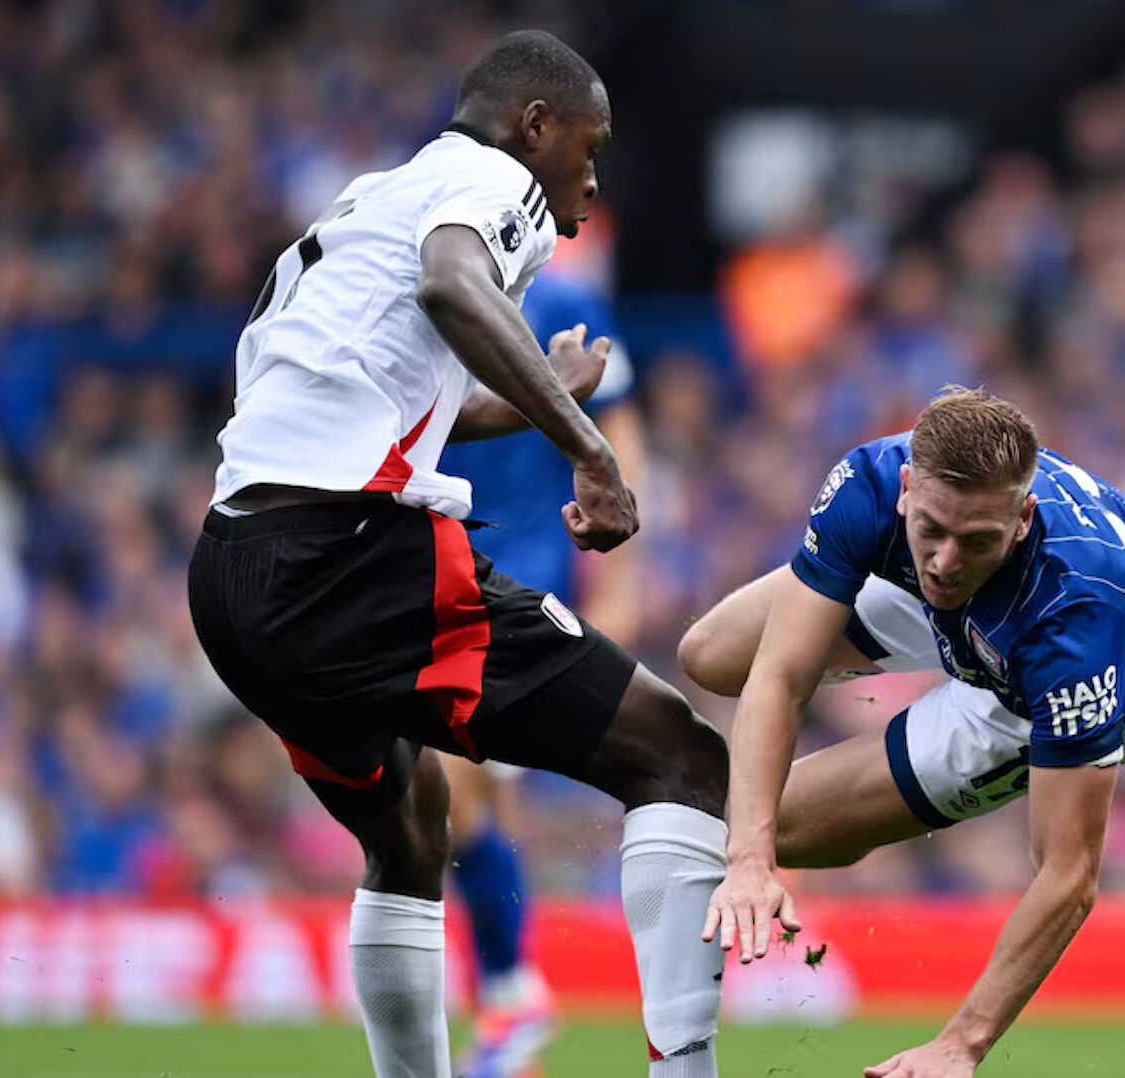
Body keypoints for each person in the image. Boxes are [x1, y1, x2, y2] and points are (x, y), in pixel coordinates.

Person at [186, 31, 728, 1078]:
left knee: (414, 826)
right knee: (681, 755)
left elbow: (380, 394)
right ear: (536, 127)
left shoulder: (364, 200)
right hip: (347, 557)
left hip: (236, 571)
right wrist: (592, 451)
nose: (591, 175)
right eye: (589, 144)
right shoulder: (490, 178)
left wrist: (544, 401)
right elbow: (451, 283)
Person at [681, 387, 1125, 1078]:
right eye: (932, 530)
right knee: (709, 657)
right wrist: (747, 862)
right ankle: (866, 809)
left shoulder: (1074, 625)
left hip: (1040, 684)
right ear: (907, 490)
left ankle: (866, 818)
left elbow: (1069, 874)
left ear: (1020, 519)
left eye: (975, 538)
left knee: (785, 823)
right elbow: (779, 676)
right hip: (956, 609)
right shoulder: (868, 483)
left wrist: (962, 1043)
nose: (946, 559)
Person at [436, 217, 644, 1078]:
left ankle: (511, 997)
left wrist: (626, 570)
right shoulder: (430, 300)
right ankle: (510, 1001)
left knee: (450, 780)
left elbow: (620, 429)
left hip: (526, 570)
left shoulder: (564, 301)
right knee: (461, 797)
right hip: (435, 561)